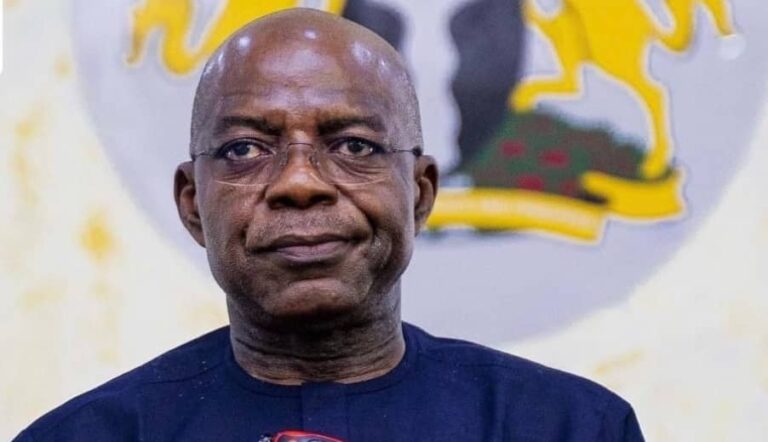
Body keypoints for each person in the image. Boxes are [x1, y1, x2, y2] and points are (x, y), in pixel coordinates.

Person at [15, 8, 644, 441]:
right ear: (192, 204)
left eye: (354, 145)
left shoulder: (566, 427)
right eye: (244, 149)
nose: (299, 182)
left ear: (420, 193)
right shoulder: (85, 436)